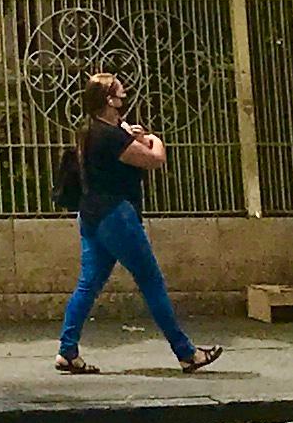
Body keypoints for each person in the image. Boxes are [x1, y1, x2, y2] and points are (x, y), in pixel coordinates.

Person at [56, 68, 224, 377]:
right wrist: (153, 139)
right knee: (151, 280)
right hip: (116, 216)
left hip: (91, 214)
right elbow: (154, 159)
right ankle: (187, 353)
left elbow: (121, 143)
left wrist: (132, 134)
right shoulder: (109, 136)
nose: (124, 95)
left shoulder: (94, 130)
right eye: (120, 91)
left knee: (89, 283)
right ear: (109, 99)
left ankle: (67, 351)